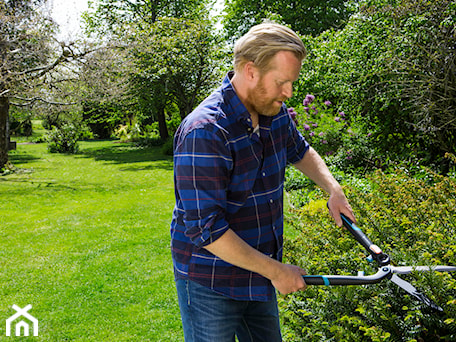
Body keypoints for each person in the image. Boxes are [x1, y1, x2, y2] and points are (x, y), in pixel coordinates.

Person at [170, 22, 355, 342]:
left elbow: (300, 150)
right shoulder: (205, 131)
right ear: (250, 71)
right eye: (282, 82)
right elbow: (206, 229)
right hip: (211, 281)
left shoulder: (273, 111)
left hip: (259, 273)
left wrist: (333, 189)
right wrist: (276, 271)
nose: (288, 93)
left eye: (291, 83)